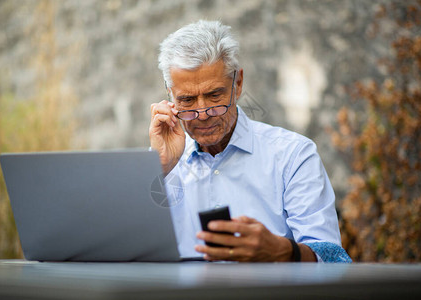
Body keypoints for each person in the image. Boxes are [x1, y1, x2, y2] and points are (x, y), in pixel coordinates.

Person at [149, 20, 351, 262]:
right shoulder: (160, 164)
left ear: (238, 83)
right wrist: (159, 168)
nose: (202, 114)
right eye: (187, 100)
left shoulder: (293, 155)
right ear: (170, 95)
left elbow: (335, 261)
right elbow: (124, 250)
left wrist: (283, 251)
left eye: (215, 96)